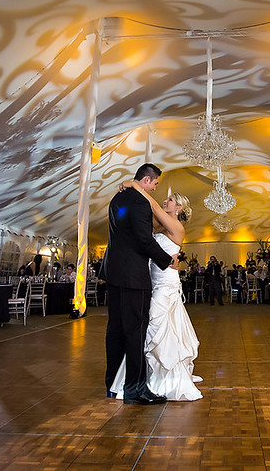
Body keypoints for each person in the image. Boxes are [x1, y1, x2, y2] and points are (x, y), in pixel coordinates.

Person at [110, 180, 201, 401]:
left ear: (178, 208)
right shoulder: (159, 226)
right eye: (167, 199)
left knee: (156, 324)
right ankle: (147, 377)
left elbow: (153, 207)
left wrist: (136, 186)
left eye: (170, 200)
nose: (165, 201)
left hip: (166, 283)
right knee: (148, 326)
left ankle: (166, 377)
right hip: (152, 279)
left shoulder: (177, 227)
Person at [100, 163, 175, 405]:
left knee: (115, 330)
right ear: (145, 180)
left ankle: (113, 383)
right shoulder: (140, 202)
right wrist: (167, 260)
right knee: (135, 332)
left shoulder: (116, 199)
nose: (154, 189)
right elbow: (144, 241)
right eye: (154, 184)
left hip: (114, 274)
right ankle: (135, 388)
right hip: (133, 277)